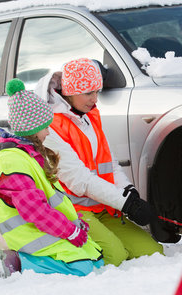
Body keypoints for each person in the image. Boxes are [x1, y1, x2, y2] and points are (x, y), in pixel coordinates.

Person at [35, 58, 163, 266]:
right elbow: (79, 180)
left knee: (152, 252)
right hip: (70, 212)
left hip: (99, 207)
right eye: (88, 93)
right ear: (69, 91)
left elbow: (109, 163)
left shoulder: (89, 116)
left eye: (97, 92)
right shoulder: (50, 127)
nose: (95, 99)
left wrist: (128, 190)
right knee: (114, 255)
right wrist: (126, 204)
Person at [0, 78, 105, 277]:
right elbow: (35, 210)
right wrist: (69, 231)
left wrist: (74, 223)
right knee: (81, 267)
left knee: (96, 260)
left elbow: (53, 200)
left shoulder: (30, 155)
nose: (48, 132)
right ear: (31, 130)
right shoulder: (11, 161)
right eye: (45, 127)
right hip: (29, 236)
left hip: (46, 230)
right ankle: (17, 261)